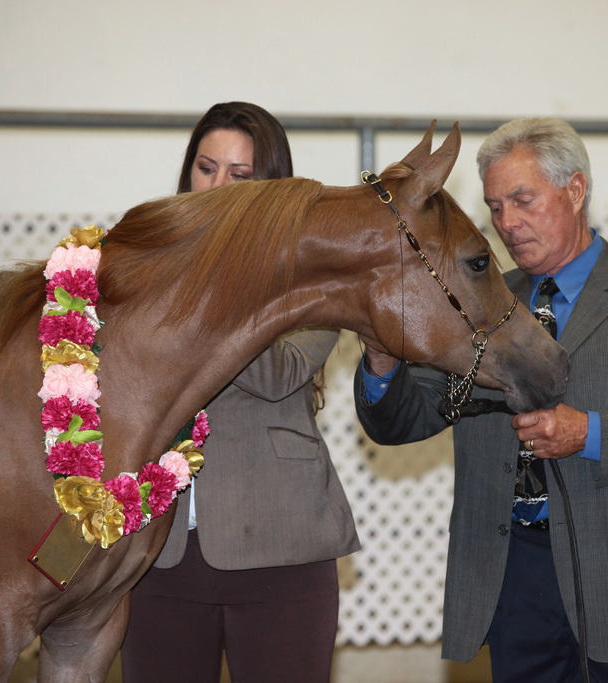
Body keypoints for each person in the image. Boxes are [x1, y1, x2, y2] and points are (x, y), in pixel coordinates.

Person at [354, 117, 608, 682]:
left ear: (576, 190)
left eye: (522, 200)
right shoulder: (476, 306)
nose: (507, 224)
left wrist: (591, 434)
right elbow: (403, 420)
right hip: (514, 580)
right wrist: (381, 358)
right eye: (495, 207)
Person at [122, 102, 359, 683]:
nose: (217, 185)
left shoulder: (313, 275)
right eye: (206, 168)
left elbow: (279, 375)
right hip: (158, 550)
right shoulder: (144, 263)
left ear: (270, 187)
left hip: (281, 549)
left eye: (239, 175)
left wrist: (206, 278)